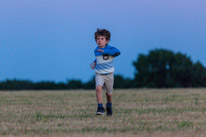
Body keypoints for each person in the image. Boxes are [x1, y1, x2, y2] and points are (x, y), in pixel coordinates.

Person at [90, 28, 120, 116]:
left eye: (102, 39)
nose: (99, 41)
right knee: (98, 88)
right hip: (99, 73)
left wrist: (105, 51)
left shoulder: (110, 48)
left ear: (106, 41)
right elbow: (98, 58)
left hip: (109, 74)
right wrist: (94, 63)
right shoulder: (96, 50)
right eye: (98, 39)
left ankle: (109, 106)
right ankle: (100, 107)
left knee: (109, 94)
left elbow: (118, 52)